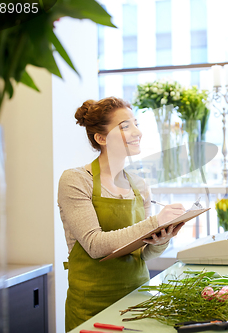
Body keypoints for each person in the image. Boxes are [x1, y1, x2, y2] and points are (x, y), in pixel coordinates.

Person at [58, 97, 186, 332]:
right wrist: (156, 221)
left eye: (135, 123)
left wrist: (161, 238)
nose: (137, 132)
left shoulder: (139, 185)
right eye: (126, 126)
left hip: (137, 299)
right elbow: (95, 245)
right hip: (91, 305)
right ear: (101, 138)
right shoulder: (76, 180)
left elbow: (142, 255)